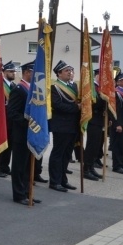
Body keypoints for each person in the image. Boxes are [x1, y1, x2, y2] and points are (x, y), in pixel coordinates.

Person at [7, 62, 41, 204]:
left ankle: (28, 192)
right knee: (19, 166)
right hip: (21, 134)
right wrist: (27, 121)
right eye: (34, 72)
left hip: (32, 133)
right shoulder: (19, 89)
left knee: (28, 166)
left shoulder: (33, 89)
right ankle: (19, 194)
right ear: (27, 72)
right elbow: (12, 113)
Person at [48, 61, 80, 192]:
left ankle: (63, 180)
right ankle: (54, 181)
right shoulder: (55, 87)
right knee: (58, 153)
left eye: (70, 70)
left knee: (67, 154)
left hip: (73, 125)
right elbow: (57, 105)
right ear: (59, 73)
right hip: (61, 125)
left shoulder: (74, 86)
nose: (70, 73)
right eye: (66, 71)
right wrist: (76, 107)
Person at [0, 61, 16, 178]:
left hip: (11, 121)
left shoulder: (13, 86)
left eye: (14, 71)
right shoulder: (0, 85)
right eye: (11, 71)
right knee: (0, 143)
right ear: (4, 72)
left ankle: (5, 166)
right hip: (2, 119)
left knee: (9, 145)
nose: (13, 73)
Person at [83, 71, 107, 181]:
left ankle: (91, 167)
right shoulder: (92, 87)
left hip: (100, 120)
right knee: (91, 146)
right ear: (97, 76)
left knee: (97, 146)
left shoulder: (101, 88)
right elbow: (93, 103)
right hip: (92, 119)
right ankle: (86, 169)